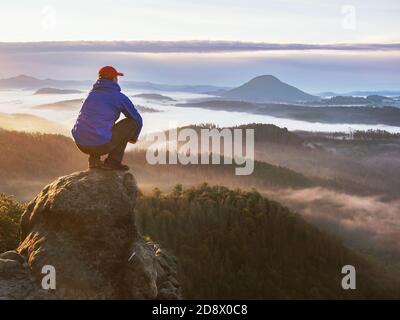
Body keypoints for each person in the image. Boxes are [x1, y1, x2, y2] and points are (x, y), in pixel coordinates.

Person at [72, 66, 142, 171]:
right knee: (131, 123)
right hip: (100, 145)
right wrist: (133, 138)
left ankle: (94, 162)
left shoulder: (89, 95)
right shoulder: (118, 97)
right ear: (114, 79)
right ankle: (113, 162)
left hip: (80, 143)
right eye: (116, 78)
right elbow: (137, 119)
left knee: (96, 124)